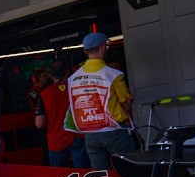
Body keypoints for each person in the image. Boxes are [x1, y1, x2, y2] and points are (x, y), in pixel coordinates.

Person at [65, 32, 135, 169]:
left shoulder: (73, 78)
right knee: (127, 172)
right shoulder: (114, 74)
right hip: (114, 132)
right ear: (104, 47)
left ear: (85, 51)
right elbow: (125, 106)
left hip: (90, 135)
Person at [35, 60, 89, 168]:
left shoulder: (44, 94)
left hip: (56, 141)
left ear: (51, 75)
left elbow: (39, 124)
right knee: (83, 175)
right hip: (78, 136)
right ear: (67, 72)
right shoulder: (77, 89)